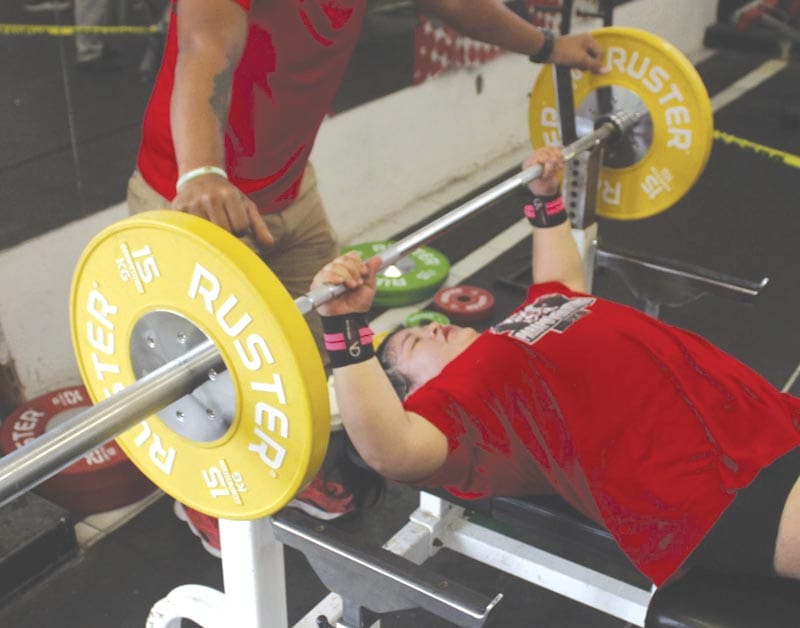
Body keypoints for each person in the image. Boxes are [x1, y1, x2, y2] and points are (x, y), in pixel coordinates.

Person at [126, 0, 606, 545]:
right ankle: (203, 500)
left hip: (289, 190)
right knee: (209, 373)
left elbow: (457, 5)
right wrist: (203, 173)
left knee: (308, 352)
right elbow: (203, 47)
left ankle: (289, 469)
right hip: (195, 196)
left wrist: (548, 47)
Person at [312, 146, 800, 586]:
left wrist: (545, 199)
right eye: (413, 343)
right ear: (414, 400)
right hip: (714, 493)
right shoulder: (461, 414)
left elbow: (562, 283)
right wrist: (346, 326)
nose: (432, 326)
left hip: (763, 421)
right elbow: (389, 450)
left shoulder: (518, 327)